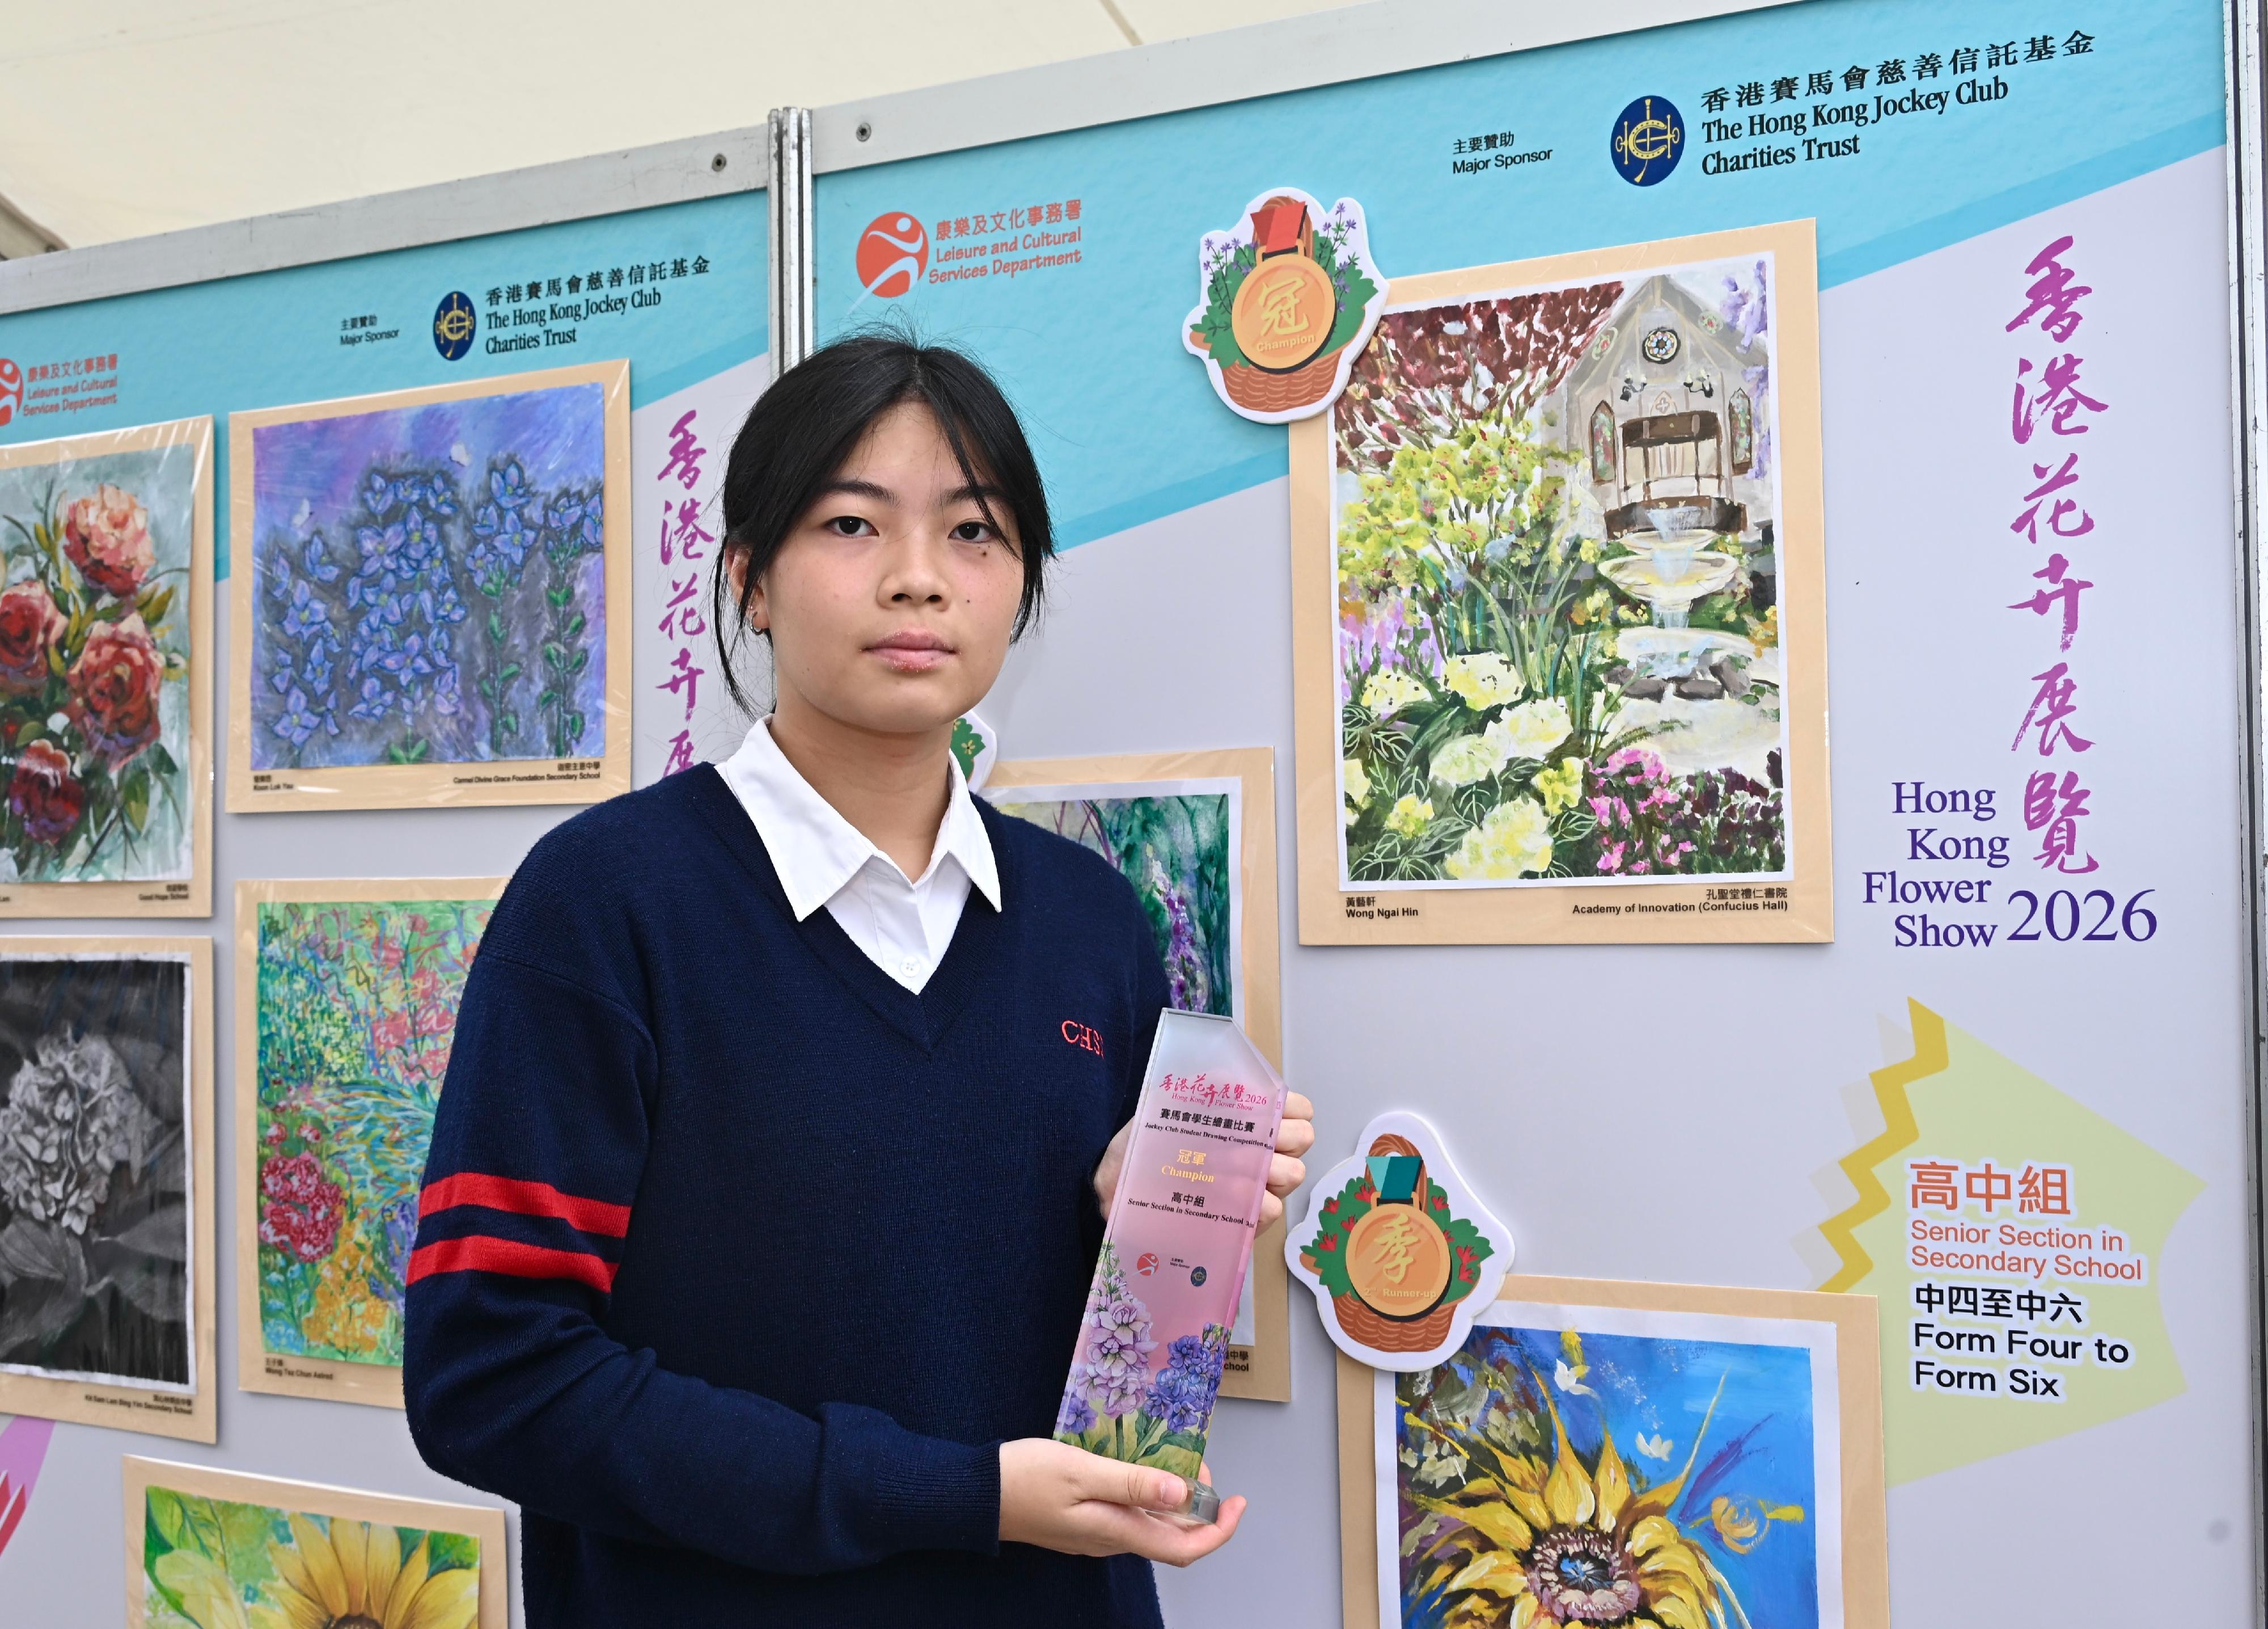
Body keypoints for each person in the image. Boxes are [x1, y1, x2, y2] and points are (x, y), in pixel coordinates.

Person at [403, 334, 1317, 1627]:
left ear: (1020, 588)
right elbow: (492, 1381)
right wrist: (955, 1494)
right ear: (751, 580)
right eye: (850, 523)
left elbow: (1025, 1326)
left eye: (974, 534)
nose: (917, 581)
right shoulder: (604, 904)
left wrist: (1152, 1221)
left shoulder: (1088, 921)